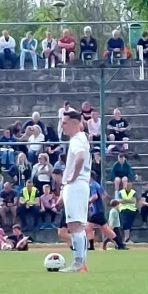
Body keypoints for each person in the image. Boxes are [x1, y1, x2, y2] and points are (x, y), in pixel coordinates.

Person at [59, 110, 92, 273]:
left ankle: (78, 262)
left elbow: (79, 158)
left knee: (74, 226)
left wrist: (72, 178)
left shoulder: (78, 139)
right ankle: (81, 262)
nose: (62, 126)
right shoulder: (80, 138)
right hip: (77, 186)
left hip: (77, 185)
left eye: (65, 123)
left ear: (74, 123)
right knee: (77, 225)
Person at [86, 172, 126, 251]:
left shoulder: (92, 185)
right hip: (100, 210)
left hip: (96, 211)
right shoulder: (97, 184)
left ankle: (91, 246)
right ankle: (120, 244)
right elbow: (105, 195)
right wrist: (109, 202)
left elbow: (95, 196)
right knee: (106, 229)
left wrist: (88, 202)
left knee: (88, 228)